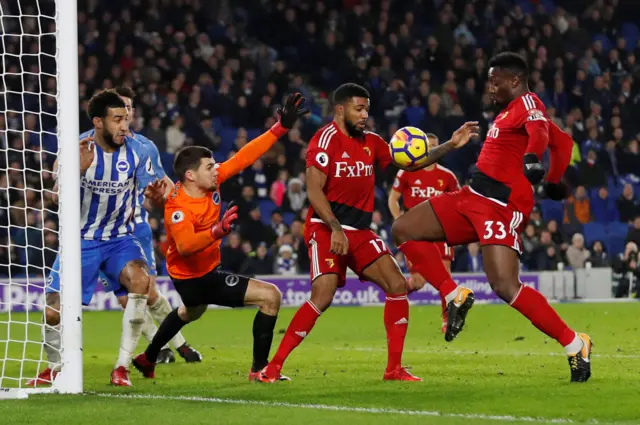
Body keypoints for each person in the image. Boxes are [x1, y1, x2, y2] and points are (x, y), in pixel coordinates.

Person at [392, 52, 593, 382]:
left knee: (504, 285)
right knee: (403, 229)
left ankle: (575, 344)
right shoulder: (510, 112)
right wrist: (555, 180)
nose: (489, 88)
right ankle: (452, 293)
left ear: (514, 80)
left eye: (494, 81)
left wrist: (532, 160)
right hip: (470, 197)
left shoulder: (528, 104)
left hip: (501, 205)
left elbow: (541, 134)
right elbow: (564, 140)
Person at [257, 83, 478, 383]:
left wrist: (449, 145)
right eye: (358, 109)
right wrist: (335, 228)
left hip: (360, 232)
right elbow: (313, 190)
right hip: (326, 228)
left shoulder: (371, 142)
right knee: (323, 296)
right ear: (340, 109)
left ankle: (394, 369)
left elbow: (411, 162)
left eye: (367, 110)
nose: (364, 115)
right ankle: (273, 368)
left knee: (398, 285)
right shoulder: (324, 141)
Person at [131, 93, 308, 381]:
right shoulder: (178, 207)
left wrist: (281, 128)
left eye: (215, 165)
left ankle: (147, 357)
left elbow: (244, 156)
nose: (216, 170)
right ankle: (260, 371)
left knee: (190, 312)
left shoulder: (210, 182)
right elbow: (186, 246)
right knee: (270, 297)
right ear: (190, 175)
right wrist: (217, 231)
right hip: (195, 277)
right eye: (209, 167)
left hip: (199, 274)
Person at [28, 91, 160, 387]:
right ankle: (54, 367)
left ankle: (122, 367)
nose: (124, 126)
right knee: (52, 311)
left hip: (120, 240)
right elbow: (53, 198)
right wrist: (77, 170)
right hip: (81, 241)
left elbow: (150, 199)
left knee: (140, 281)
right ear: (98, 122)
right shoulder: (76, 150)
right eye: (117, 120)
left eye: (126, 119)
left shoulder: (139, 151)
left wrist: (157, 198)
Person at [103, 87, 201, 364]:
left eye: (130, 108)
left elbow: (164, 185)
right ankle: (164, 349)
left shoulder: (144, 147)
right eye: (120, 108)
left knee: (149, 292)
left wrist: (181, 208)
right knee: (126, 299)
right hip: (97, 234)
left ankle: (177, 345)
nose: (126, 113)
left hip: (135, 229)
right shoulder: (87, 145)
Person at [387, 133, 461, 333]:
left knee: (445, 275)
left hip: (440, 232)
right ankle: (397, 294)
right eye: (429, 146)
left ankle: (448, 321)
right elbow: (393, 199)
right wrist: (400, 221)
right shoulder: (407, 172)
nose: (433, 150)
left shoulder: (447, 176)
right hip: (416, 233)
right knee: (419, 281)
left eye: (436, 146)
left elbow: (459, 201)